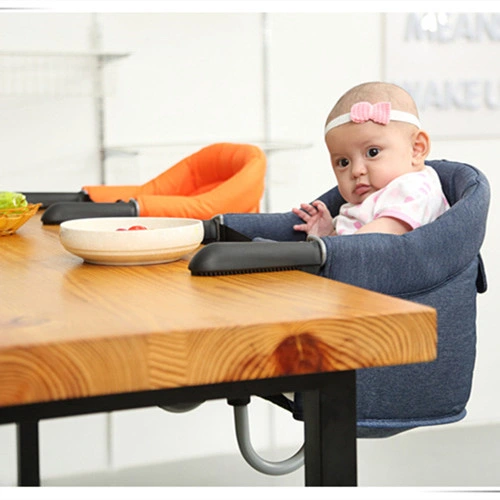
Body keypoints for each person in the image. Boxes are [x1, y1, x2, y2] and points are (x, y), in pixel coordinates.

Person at [291, 81, 450, 238]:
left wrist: (332, 248)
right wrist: (328, 233)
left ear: (416, 149)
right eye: (343, 162)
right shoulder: (368, 200)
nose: (356, 171)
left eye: (373, 152)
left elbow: (376, 239)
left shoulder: (413, 188)